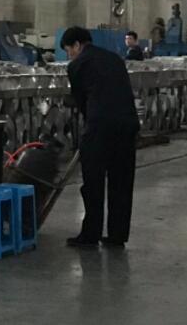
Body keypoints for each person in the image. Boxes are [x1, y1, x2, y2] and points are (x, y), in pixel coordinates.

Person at [61, 27, 140, 249]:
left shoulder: (77, 65)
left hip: (100, 126)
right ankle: (117, 234)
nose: (69, 55)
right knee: (121, 181)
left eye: (69, 50)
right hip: (128, 124)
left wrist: (90, 128)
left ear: (77, 45)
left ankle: (90, 234)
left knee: (93, 182)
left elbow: (82, 102)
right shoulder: (115, 59)